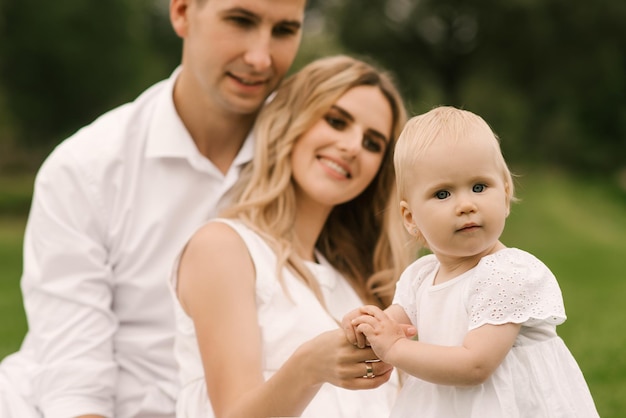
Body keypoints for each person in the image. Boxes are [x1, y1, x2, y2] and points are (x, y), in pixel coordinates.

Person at [0, 0, 307, 417]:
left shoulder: (312, 166)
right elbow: (74, 376)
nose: (260, 57)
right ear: (181, 12)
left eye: (285, 30)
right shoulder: (85, 168)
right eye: (240, 21)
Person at [170, 54, 416, 418]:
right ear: (292, 122)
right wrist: (308, 366)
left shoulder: (358, 282)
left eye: (372, 143)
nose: (352, 146)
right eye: (336, 121)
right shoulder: (223, 248)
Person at [342, 106, 600, 417]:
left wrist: (395, 349)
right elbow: (391, 324)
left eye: (479, 187)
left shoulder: (506, 274)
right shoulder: (421, 276)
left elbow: (476, 365)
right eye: (442, 194)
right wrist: (366, 324)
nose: (466, 205)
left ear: (505, 196)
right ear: (411, 218)